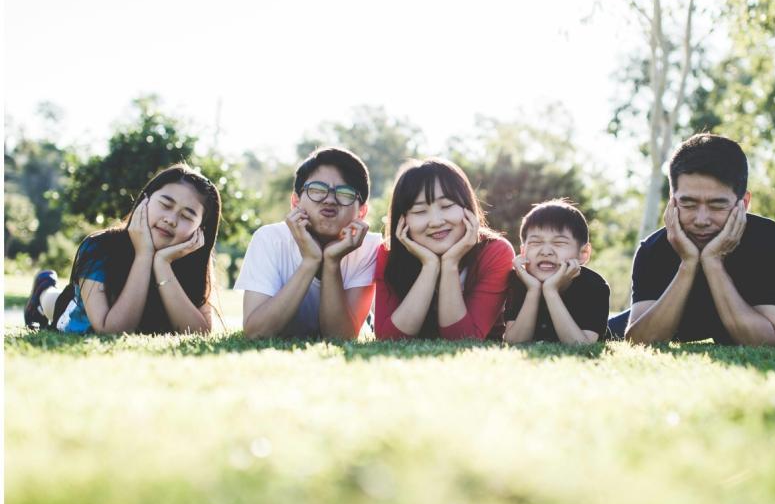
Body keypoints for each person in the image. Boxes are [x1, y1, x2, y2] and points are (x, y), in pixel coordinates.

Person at [609, 133, 775, 346]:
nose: (701, 220)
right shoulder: (652, 250)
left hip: (774, 323)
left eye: (717, 205)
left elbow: (768, 341)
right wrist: (688, 264)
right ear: (672, 201)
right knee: (600, 328)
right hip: (687, 317)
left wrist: (713, 262)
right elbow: (639, 341)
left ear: (743, 203)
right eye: (689, 204)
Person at [24, 164, 222, 334]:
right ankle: (42, 289)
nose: (170, 219)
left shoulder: (192, 260)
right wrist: (144, 255)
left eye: (187, 216)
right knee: (56, 301)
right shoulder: (98, 246)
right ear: (145, 200)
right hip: (76, 311)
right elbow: (111, 330)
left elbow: (199, 333)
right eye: (165, 204)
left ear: (200, 230)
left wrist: (162, 264)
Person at [236, 147, 381, 339]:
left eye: (345, 193)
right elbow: (256, 332)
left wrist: (332, 261)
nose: (329, 200)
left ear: (362, 211)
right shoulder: (269, 239)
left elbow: (340, 338)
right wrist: (310, 261)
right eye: (317, 190)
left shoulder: (370, 247)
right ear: (295, 202)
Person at [374, 158, 514, 341]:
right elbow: (389, 338)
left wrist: (450, 264)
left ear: (467, 207)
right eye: (419, 211)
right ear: (403, 220)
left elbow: (463, 339)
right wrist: (430, 266)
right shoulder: (388, 253)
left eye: (447, 206)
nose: (436, 222)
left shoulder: (495, 252)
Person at [504, 199, 610, 344]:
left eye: (559, 243)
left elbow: (581, 346)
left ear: (583, 253)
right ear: (523, 251)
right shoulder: (519, 279)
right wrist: (533, 290)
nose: (546, 251)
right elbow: (514, 341)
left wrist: (550, 290)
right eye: (535, 243)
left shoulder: (594, 285)